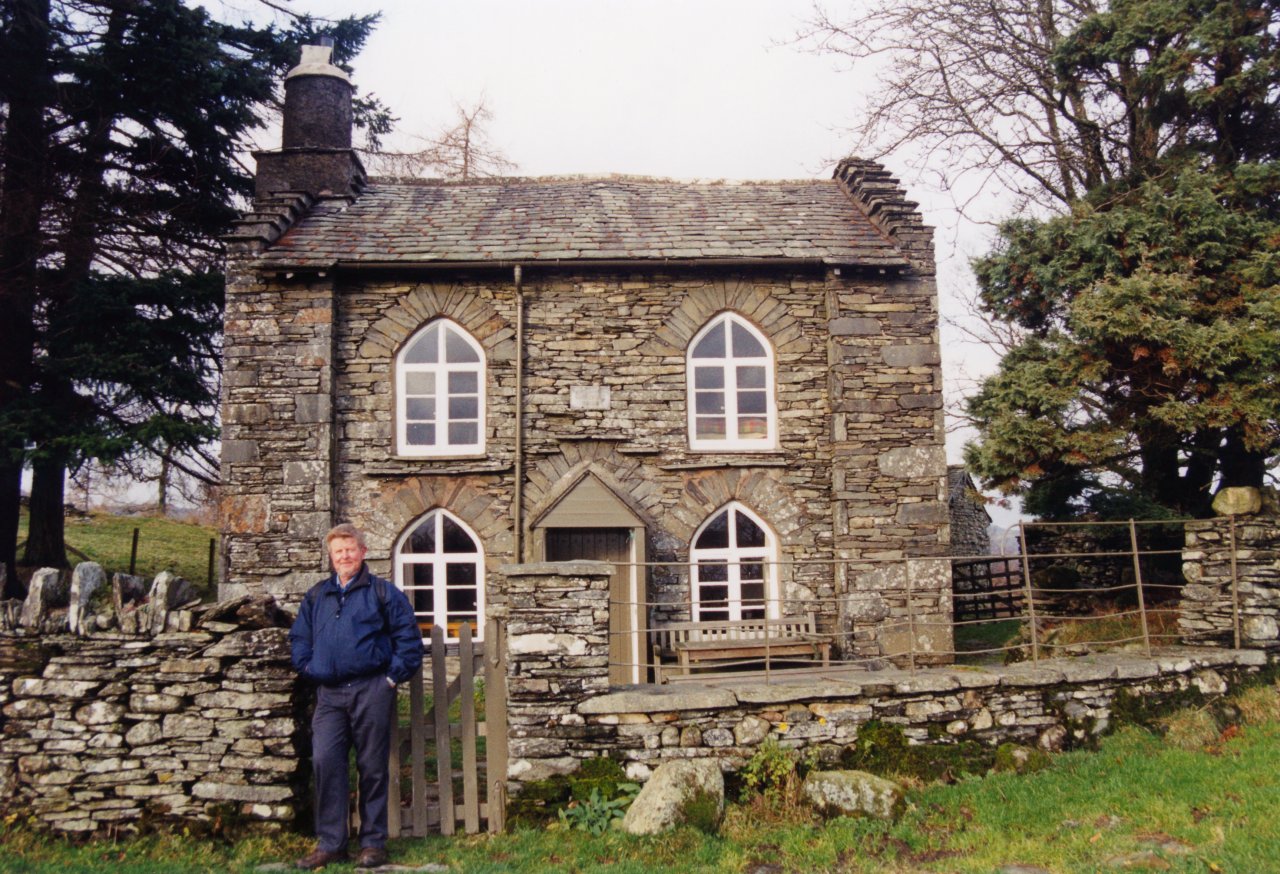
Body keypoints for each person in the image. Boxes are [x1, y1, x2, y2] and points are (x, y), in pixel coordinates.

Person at [290, 523, 424, 870]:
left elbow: (408, 642)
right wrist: (310, 668)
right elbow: (300, 639)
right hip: (330, 695)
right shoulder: (317, 596)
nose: (345, 556)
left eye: (350, 549)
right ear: (331, 557)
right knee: (325, 762)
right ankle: (332, 844)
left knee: (372, 768)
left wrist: (390, 680)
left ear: (362, 552)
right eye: (338, 551)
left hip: (371, 690)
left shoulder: (383, 593)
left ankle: (372, 845)